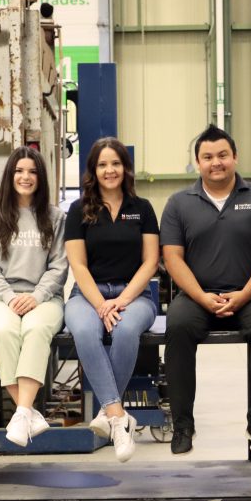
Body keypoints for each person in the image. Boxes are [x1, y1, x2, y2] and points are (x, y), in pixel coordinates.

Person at [160, 125, 251, 456]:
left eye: (222, 155)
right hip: (196, 297)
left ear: (235, 157)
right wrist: (201, 296)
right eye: (208, 157)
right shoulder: (178, 203)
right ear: (197, 163)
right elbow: (172, 258)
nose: (216, 163)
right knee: (178, 325)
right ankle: (183, 425)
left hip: (249, 295)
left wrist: (244, 294)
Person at [63, 137, 160, 462]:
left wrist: (121, 301)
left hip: (135, 296)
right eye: (102, 164)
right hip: (88, 294)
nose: (109, 170)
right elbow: (77, 264)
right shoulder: (79, 210)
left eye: (115, 163)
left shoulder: (142, 209)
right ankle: (119, 418)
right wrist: (101, 304)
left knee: (126, 330)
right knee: (85, 330)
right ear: (93, 170)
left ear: (125, 168)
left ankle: (108, 413)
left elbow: (150, 262)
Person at [0, 146, 68, 447]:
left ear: (40, 177)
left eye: (32, 171)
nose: (25, 177)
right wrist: (9, 297)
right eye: (19, 171)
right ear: (10, 176)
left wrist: (38, 295)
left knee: (35, 328)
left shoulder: (55, 218)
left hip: (45, 299)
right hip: (1, 299)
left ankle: (21, 412)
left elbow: (59, 265)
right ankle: (27, 412)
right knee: (3, 331)